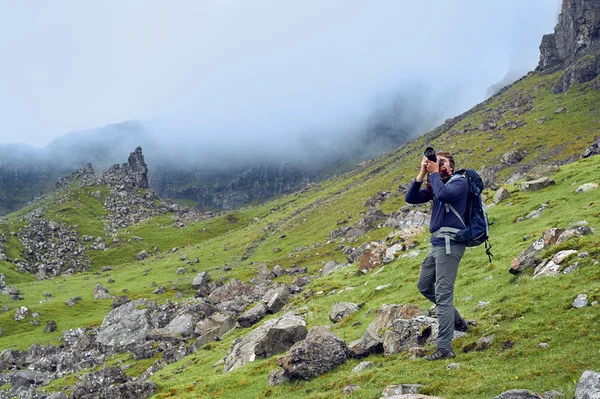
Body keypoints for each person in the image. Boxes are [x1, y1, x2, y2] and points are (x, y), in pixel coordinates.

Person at [405, 151, 469, 360]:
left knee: (443, 294)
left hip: (451, 244)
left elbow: (444, 194)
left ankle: (444, 347)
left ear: (451, 167)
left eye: (441, 163)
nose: (437, 165)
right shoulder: (436, 184)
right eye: (435, 162)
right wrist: (423, 173)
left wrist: (434, 174)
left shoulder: (460, 182)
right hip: (436, 244)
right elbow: (411, 198)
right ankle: (456, 319)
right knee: (424, 285)